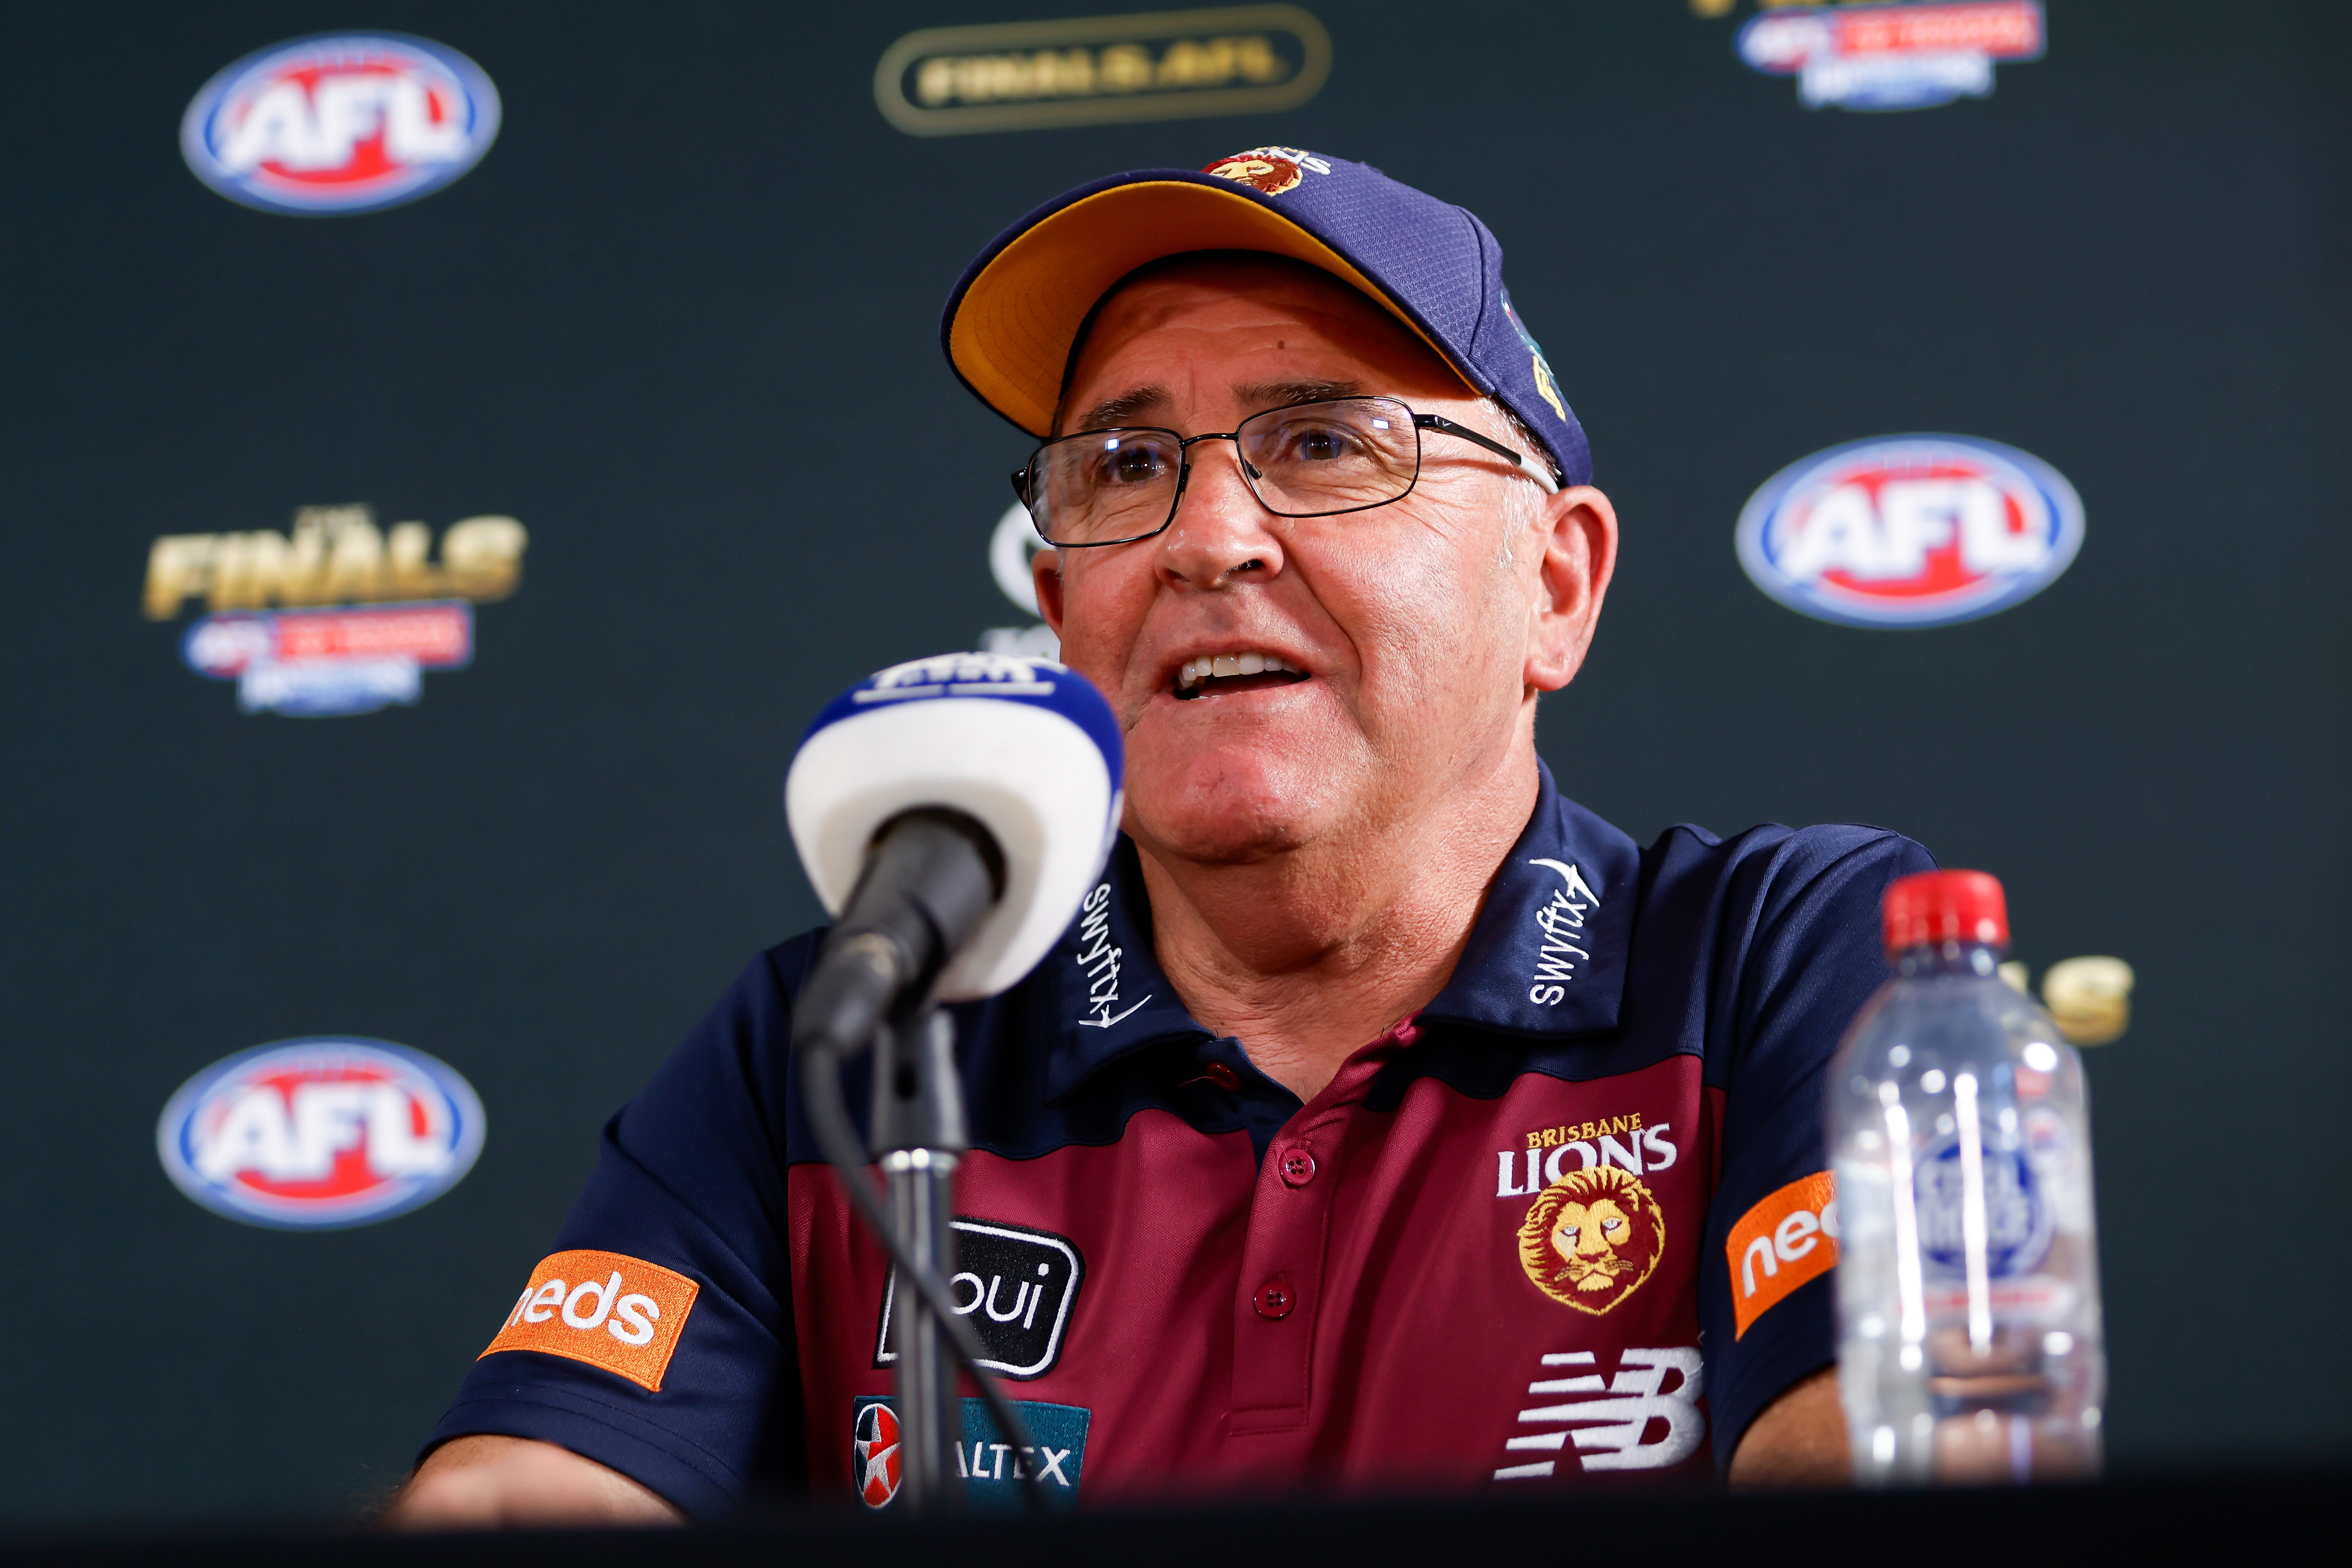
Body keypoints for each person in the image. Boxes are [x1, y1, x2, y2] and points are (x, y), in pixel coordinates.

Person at [393, 146, 1930, 1527]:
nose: (1203, 538)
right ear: (1062, 616)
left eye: (1326, 442)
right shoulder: (841, 1035)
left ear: (1556, 586)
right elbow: (526, 1495)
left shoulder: (1781, 960)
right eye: (1124, 469)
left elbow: (1897, 1464)